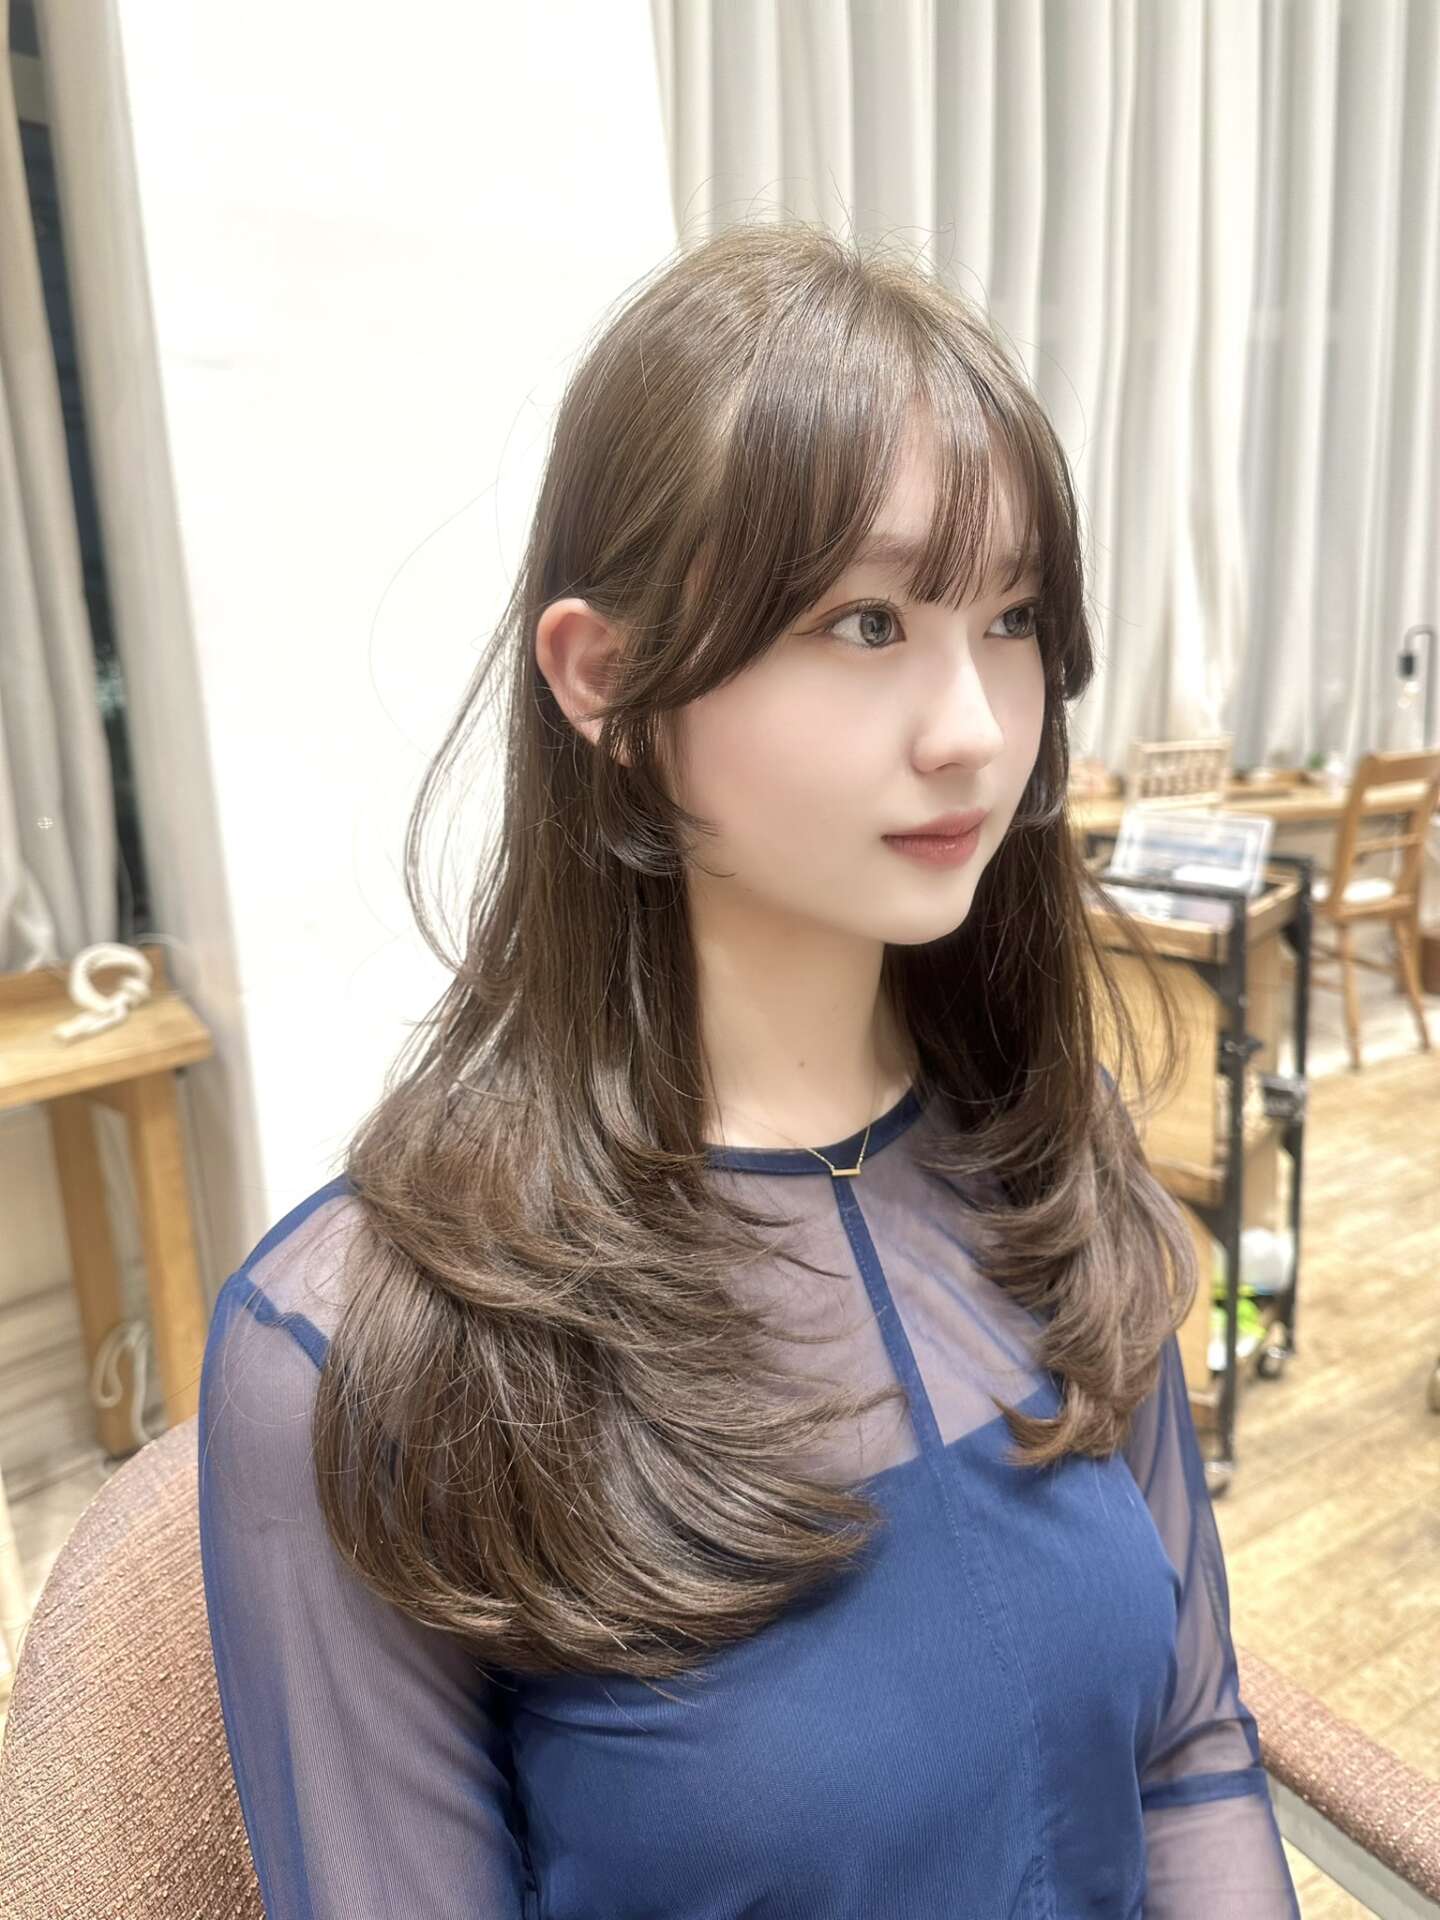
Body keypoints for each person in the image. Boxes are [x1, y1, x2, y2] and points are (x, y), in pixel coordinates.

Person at [198, 220, 1301, 1917]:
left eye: (1013, 617)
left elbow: (1187, 1754)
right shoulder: (368, 1353)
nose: (975, 728)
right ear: (607, 680)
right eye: (867, 621)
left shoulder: (1045, 1160)